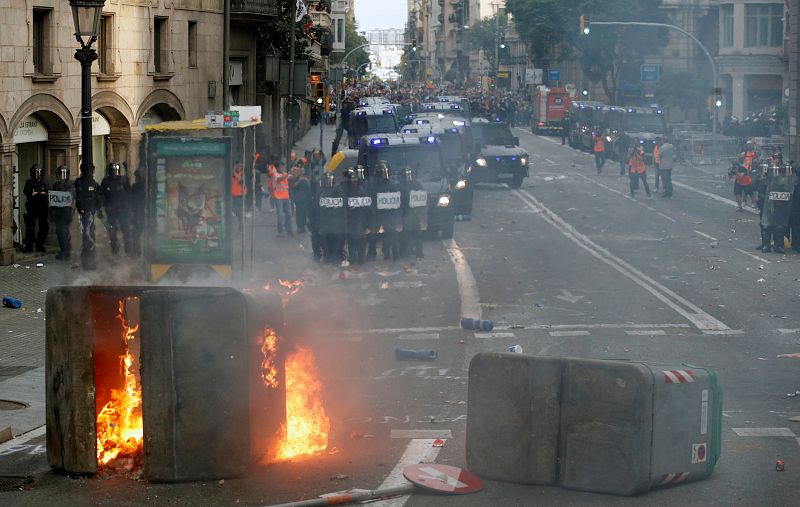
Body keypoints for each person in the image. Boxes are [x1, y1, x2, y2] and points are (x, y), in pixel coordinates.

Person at [759, 162, 795, 253]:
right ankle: (766, 245)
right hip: (767, 207)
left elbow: (789, 192)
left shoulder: (785, 181)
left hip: (780, 207)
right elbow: (759, 191)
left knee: (779, 227)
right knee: (766, 226)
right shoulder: (764, 180)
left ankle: (778, 246)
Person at [99, 162, 133, 256]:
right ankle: (115, 249)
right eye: (112, 170)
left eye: (115, 170)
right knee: (113, 230)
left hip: (123, 209)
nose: (114, 172)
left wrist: (130, 208)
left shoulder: (124, 180)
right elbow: (102, 195)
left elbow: (129, 194)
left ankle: (128, 249)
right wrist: (100, 208)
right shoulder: (106, 182)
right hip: (111, 210)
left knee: (126, 229)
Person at [373, 161, 402, 261]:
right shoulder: (376, 186)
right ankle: (388, 253)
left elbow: (398, 198)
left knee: (391, 234)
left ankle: (395, 254)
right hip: (381, 214)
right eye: (381, 172)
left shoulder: (393, 184)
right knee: (385, 234)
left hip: (390, 214)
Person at [74, 163, 100, 270]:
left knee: (89, 234)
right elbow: (75, 196)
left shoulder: (94, 184)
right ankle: (87, 260)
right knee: (87, 234)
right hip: (82, 212)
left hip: (90, 212)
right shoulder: (79, 183)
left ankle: (89, 259)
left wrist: (96, 208)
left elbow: (98, 198)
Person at [344, 166, 371, 265]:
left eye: (355, 181)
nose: (354, 183)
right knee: (351, 240)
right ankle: (353, 258)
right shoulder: (345, 192)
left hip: (360, 220)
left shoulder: (362, 191)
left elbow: (367, 208)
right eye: (352, 181)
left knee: (361, 240)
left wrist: (367, 223)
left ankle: (361, 258)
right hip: (350, 220)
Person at [317, 172, 346, 263]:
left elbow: (343, 206)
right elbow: (316, 208)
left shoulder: (338, 191)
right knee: (326, 242)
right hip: (325, 222)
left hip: (335, 221)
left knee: (336, 241)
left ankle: (336, 257)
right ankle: (328, 257)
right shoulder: (320, 192)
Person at [400, 166, 427, 259]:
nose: (408, 176)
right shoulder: (400, 185)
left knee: (417, 234)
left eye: (409, 174)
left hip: (414, 213)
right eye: (406, 175)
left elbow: (423, 197)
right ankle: (406, 252)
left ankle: (419, 252)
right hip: (405, 213)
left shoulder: (416, 184)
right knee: (405, 235)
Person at [50, 165, 75, 260]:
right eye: (60, 174)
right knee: (61, 232)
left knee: (63, 232)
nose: (62, 176)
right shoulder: (56, 184)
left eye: (63, 174)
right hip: (58, 212)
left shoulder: (71, 184)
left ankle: (65, 251)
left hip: (65, 211)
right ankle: (65, 250)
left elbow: (70, 195)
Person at [22, 164, 49, 253]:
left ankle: (39, 245)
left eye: (40, 172)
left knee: (44, 227)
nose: (38, 174)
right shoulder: (29, 182)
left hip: (42, 208)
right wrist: (34, 193)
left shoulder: (44, 183)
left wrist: (40, 193)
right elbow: (27, 191)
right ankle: (29, 247)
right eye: (37, 172)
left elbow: (47, 192)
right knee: (30, 227)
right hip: (32, 208)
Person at [270, 161, 292, 236]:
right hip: (278, 198)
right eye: (281, 167)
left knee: (289, 214)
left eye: (283, 167)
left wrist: (296, 172)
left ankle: (289, 230)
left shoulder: (285, 174)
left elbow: (291, 176)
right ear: (278, 167)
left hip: (286, 197)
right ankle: (280, 231)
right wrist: (288, 174)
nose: (283, 168)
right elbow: (280, 179)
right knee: (280, 215)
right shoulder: (275, 175)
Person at [290, 164, 311, 233]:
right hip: (298, 199)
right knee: (299, 213)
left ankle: (303, 226)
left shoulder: (306, 178)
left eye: (303, 170)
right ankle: (299, 227)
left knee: (304, 213)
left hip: (305, 198)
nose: (302, 172)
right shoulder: (295, 178)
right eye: (301, 170)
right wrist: (299, 180)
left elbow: (309, 187)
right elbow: (293, 186)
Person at [130, 168, 146, 255]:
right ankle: (138, 251)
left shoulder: (136, 187)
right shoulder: (142, 186)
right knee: (137, 232)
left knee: (137, 232)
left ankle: (138, 251)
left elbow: (132, 201)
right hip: (140, 212)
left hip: (139, 212)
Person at [231, 161, 248, 225]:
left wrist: (233, 171)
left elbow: (240, 180)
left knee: (239, 210)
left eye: (240, 166)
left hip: (240, 195)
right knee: (235, 209)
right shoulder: (231, 174)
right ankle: (241, 219)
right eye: (237, 166)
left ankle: (241, 223)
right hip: (233, 195)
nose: (239, 167)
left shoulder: (241, 174)